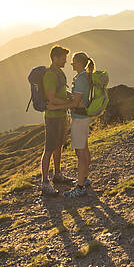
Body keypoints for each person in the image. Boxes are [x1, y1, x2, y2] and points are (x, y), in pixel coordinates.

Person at [40, 45, 75, 196]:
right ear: (55, 58)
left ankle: (58, 174)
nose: (65, 61)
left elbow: (60, 91)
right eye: (63, 58)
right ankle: (45, 182)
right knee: (49, 148)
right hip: (53, 117)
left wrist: (70, 95)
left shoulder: (59, 72)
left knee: (59, 145)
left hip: (61, 115)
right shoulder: (49, 75)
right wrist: (69, 104)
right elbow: (51, 98)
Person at [63, 51, 95, 199]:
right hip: (84, 117)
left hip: (79, 118)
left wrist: (60, 106)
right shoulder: (86, 77)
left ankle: (80, 187)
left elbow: (76, 102)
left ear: (80, 63)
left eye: (74, 61)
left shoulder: (81, 79)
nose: (72, 64)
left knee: (80, 153)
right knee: (84, 149)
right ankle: (85, 178)